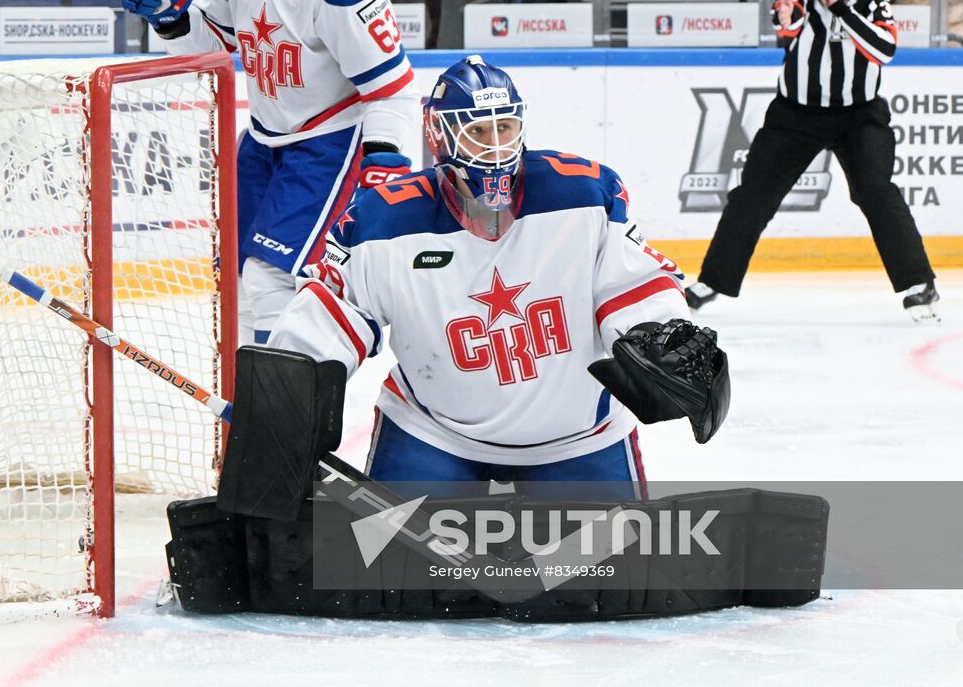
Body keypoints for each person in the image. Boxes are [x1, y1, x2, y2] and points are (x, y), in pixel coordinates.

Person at [264, 56, 727, 491]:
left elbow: (633, 284)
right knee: (392, 575)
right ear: (441, 137)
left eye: (504, 127)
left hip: (580, 438)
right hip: (432, 433)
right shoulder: (383, 221)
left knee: (605, 575)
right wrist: (283, 398)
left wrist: (657, 332)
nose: (496, 145)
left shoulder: (585, 194)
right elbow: (329, 312)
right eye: (478, 131)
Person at [121, 0, 415, 344]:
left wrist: (385, 166)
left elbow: (391, 88)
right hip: (264, 138)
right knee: (232, 278)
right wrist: (169, 13)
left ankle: (282, 414)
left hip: (328, 140)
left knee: (269, 279)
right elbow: (208, 42)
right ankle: (248, 408)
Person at [686, 0, 939, 322]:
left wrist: (842, 9)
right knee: (754, 194)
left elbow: (885, 50)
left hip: (859, 116)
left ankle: (918, 283)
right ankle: (712, 280)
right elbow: (787, 28)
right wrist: (788, 19)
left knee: (876, 191)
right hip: (796, 115)